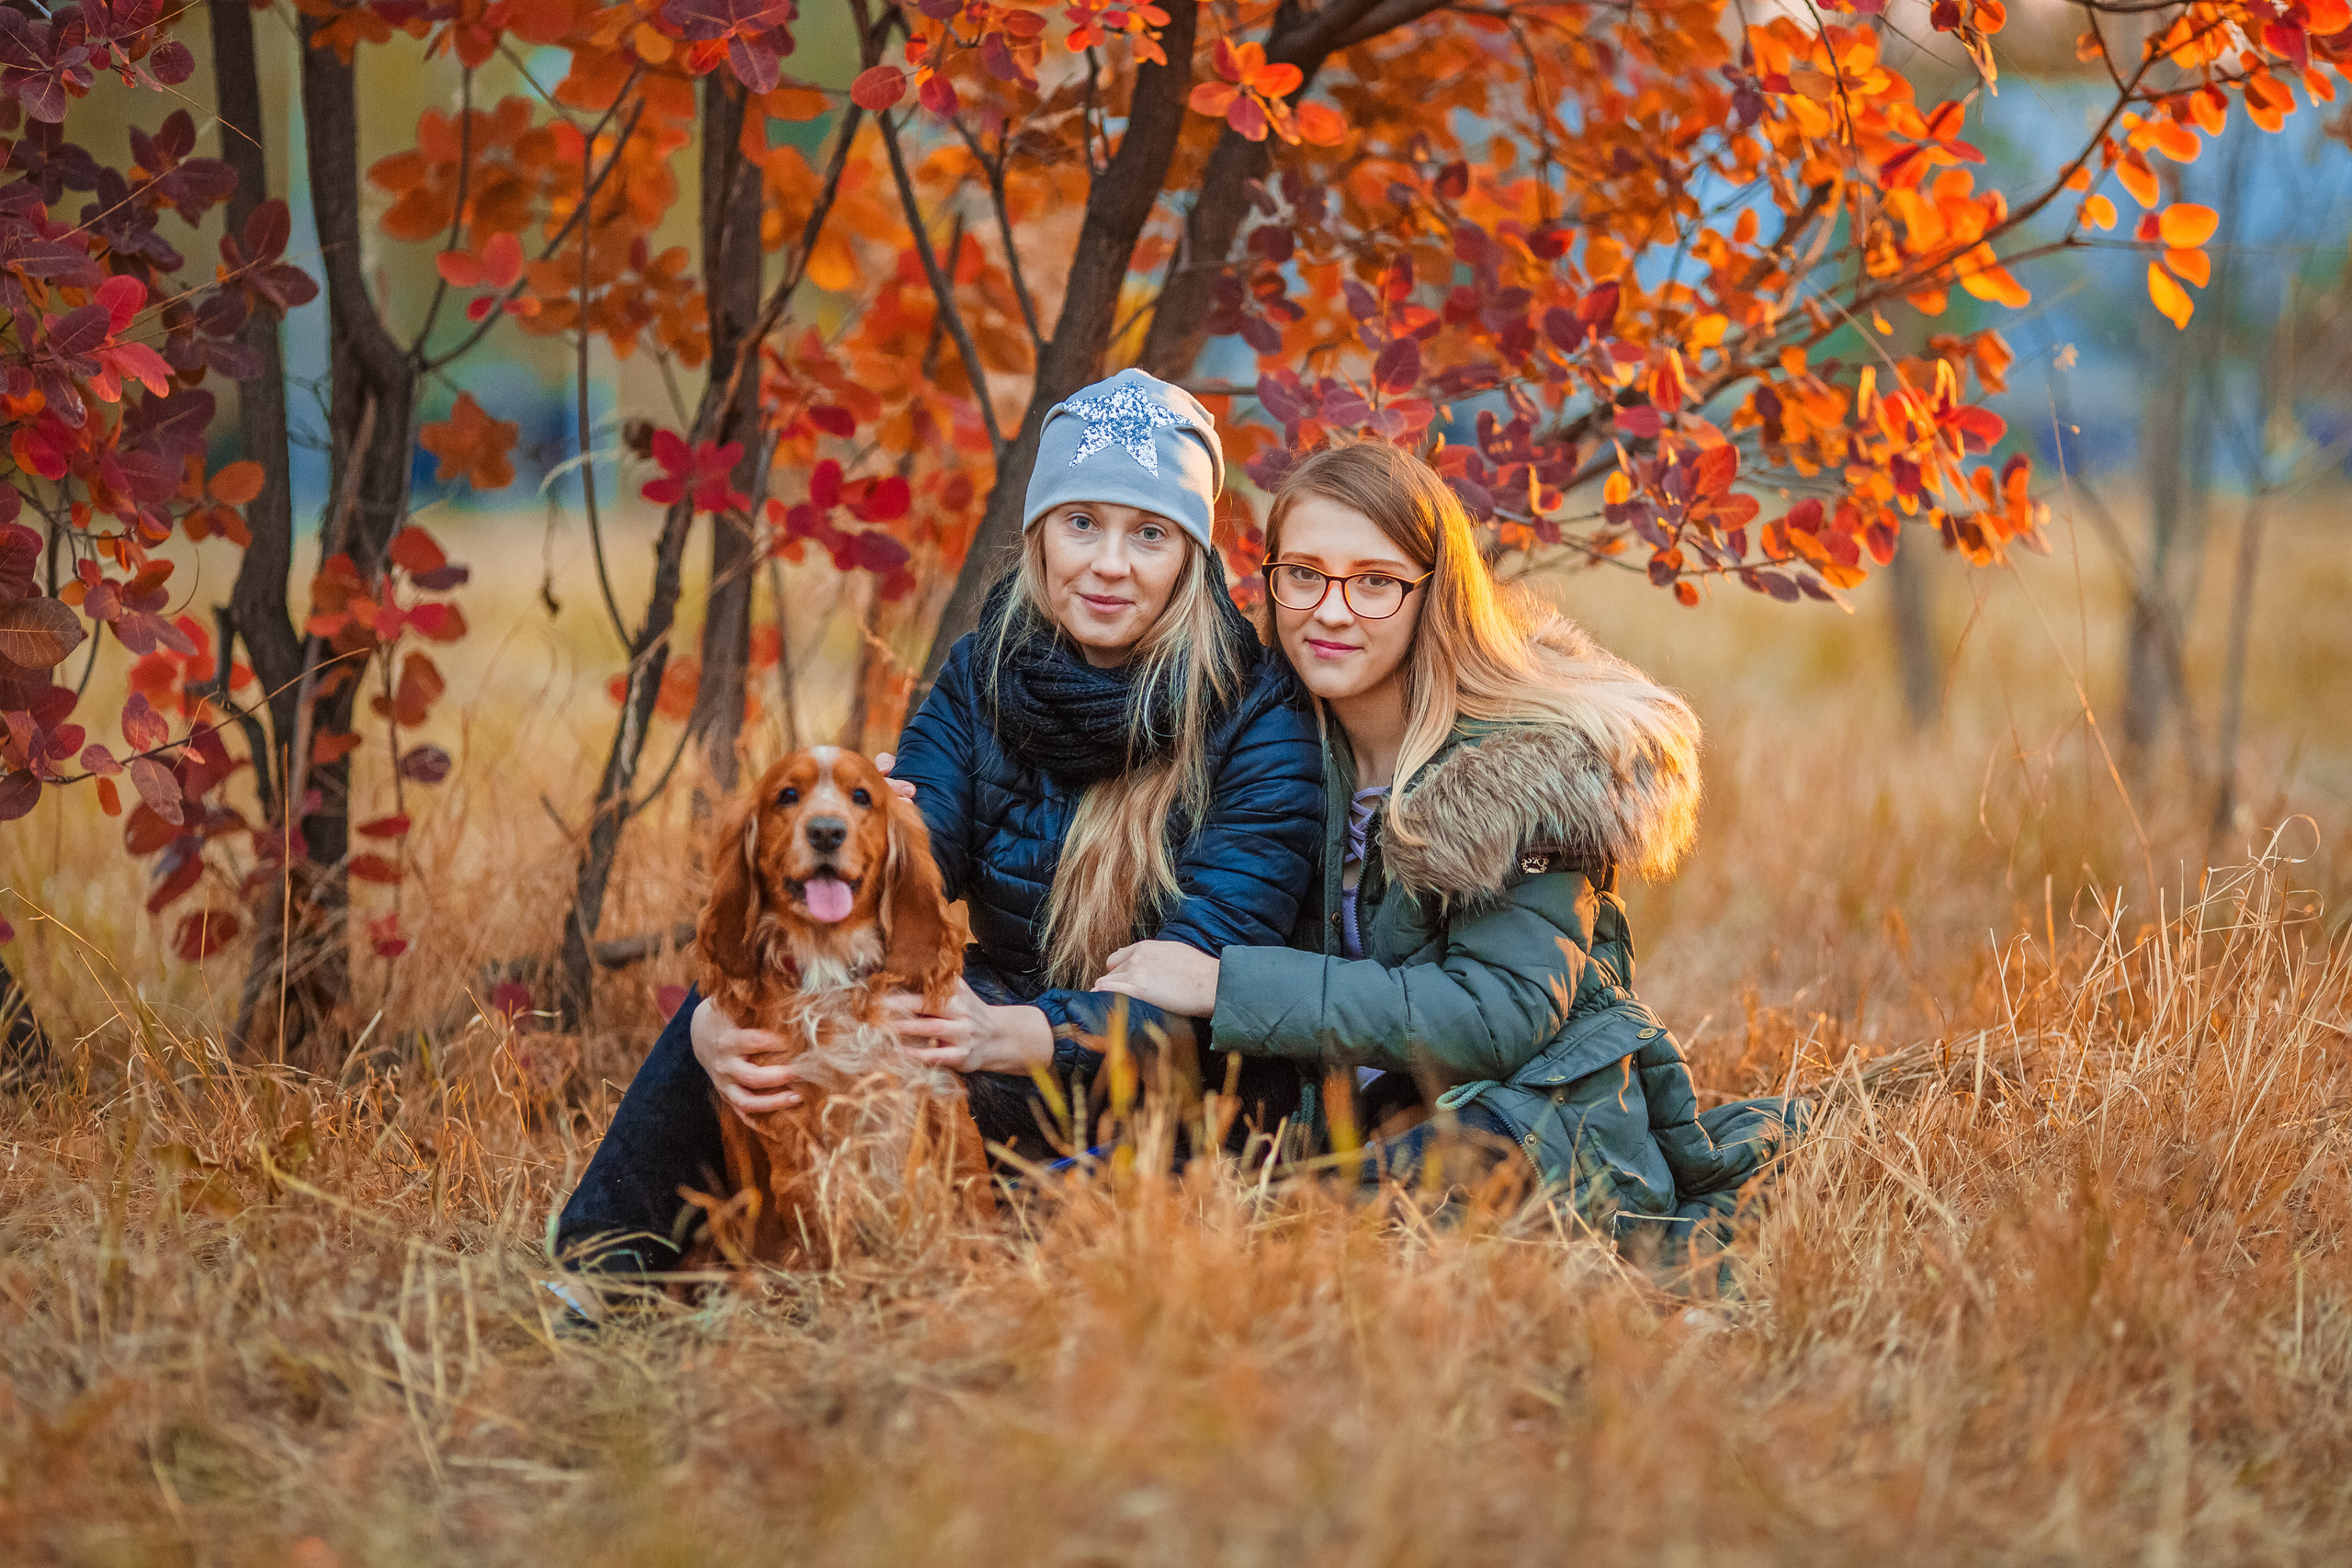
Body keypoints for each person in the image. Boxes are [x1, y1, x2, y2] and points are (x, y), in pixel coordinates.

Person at [555, 370, 1323, 1272]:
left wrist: (1019, 1034)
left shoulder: (1256, 713)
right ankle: (603, 1273)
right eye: (1082, 523)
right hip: (995, 1041)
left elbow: (1215, 988)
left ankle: (966, 1245)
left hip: (1173, 1089)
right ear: (1040, 536)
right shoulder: (985, 669)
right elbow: (882, 888)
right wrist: (720, 1026)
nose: (1108, 563)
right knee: (757, 995)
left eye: (1149, 533)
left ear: (1191, 554)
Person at [1095, 441, 1797, 1258]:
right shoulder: (1267, 741)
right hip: (1341, 1120)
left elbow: (1499, 1014)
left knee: (1310, 1236)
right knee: (1185, 1221)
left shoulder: (1514, 768)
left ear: (1435, 594)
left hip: (1524, 1114)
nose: (1330, 610)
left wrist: (1227, 985)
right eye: (1304, 574)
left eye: (1375, 583)